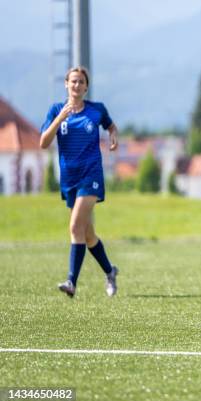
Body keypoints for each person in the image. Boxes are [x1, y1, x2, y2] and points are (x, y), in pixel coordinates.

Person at [40, 66, 119, 298]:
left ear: (86, 86)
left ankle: (71, 282)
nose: (76, 85)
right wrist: (59, 120)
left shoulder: (96, 110)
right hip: (69, 179)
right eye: (73, 81)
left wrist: (113, 136)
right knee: (87, 234)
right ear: (66, 84)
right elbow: (43, 143)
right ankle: (110, 270)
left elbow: (110, 125)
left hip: (91, 175)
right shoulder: (56, 110)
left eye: (81, 82)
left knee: (75, 227)